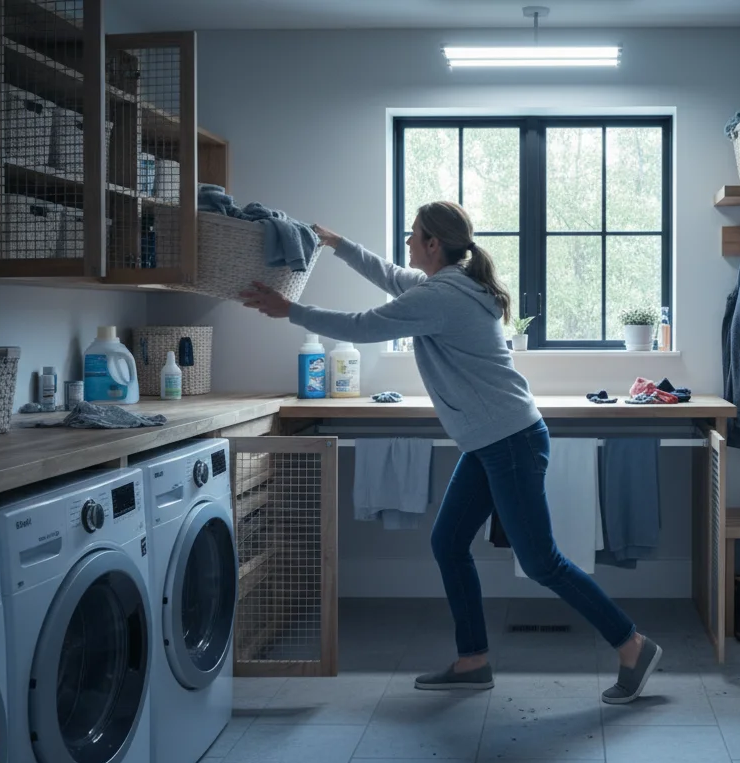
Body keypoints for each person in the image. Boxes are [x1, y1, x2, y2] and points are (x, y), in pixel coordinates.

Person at [239, 200, 662, 704]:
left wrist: (292, 311)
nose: (408, 242)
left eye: (414, 234)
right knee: (448, 542)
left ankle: (632, 644)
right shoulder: (445, 286)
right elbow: (390, 274)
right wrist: (337, 245)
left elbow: (363, 326)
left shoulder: (442, 296)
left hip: (508, 441)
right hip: (493, 442)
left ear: (434, 244)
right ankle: (473, 660)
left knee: (542, 560)